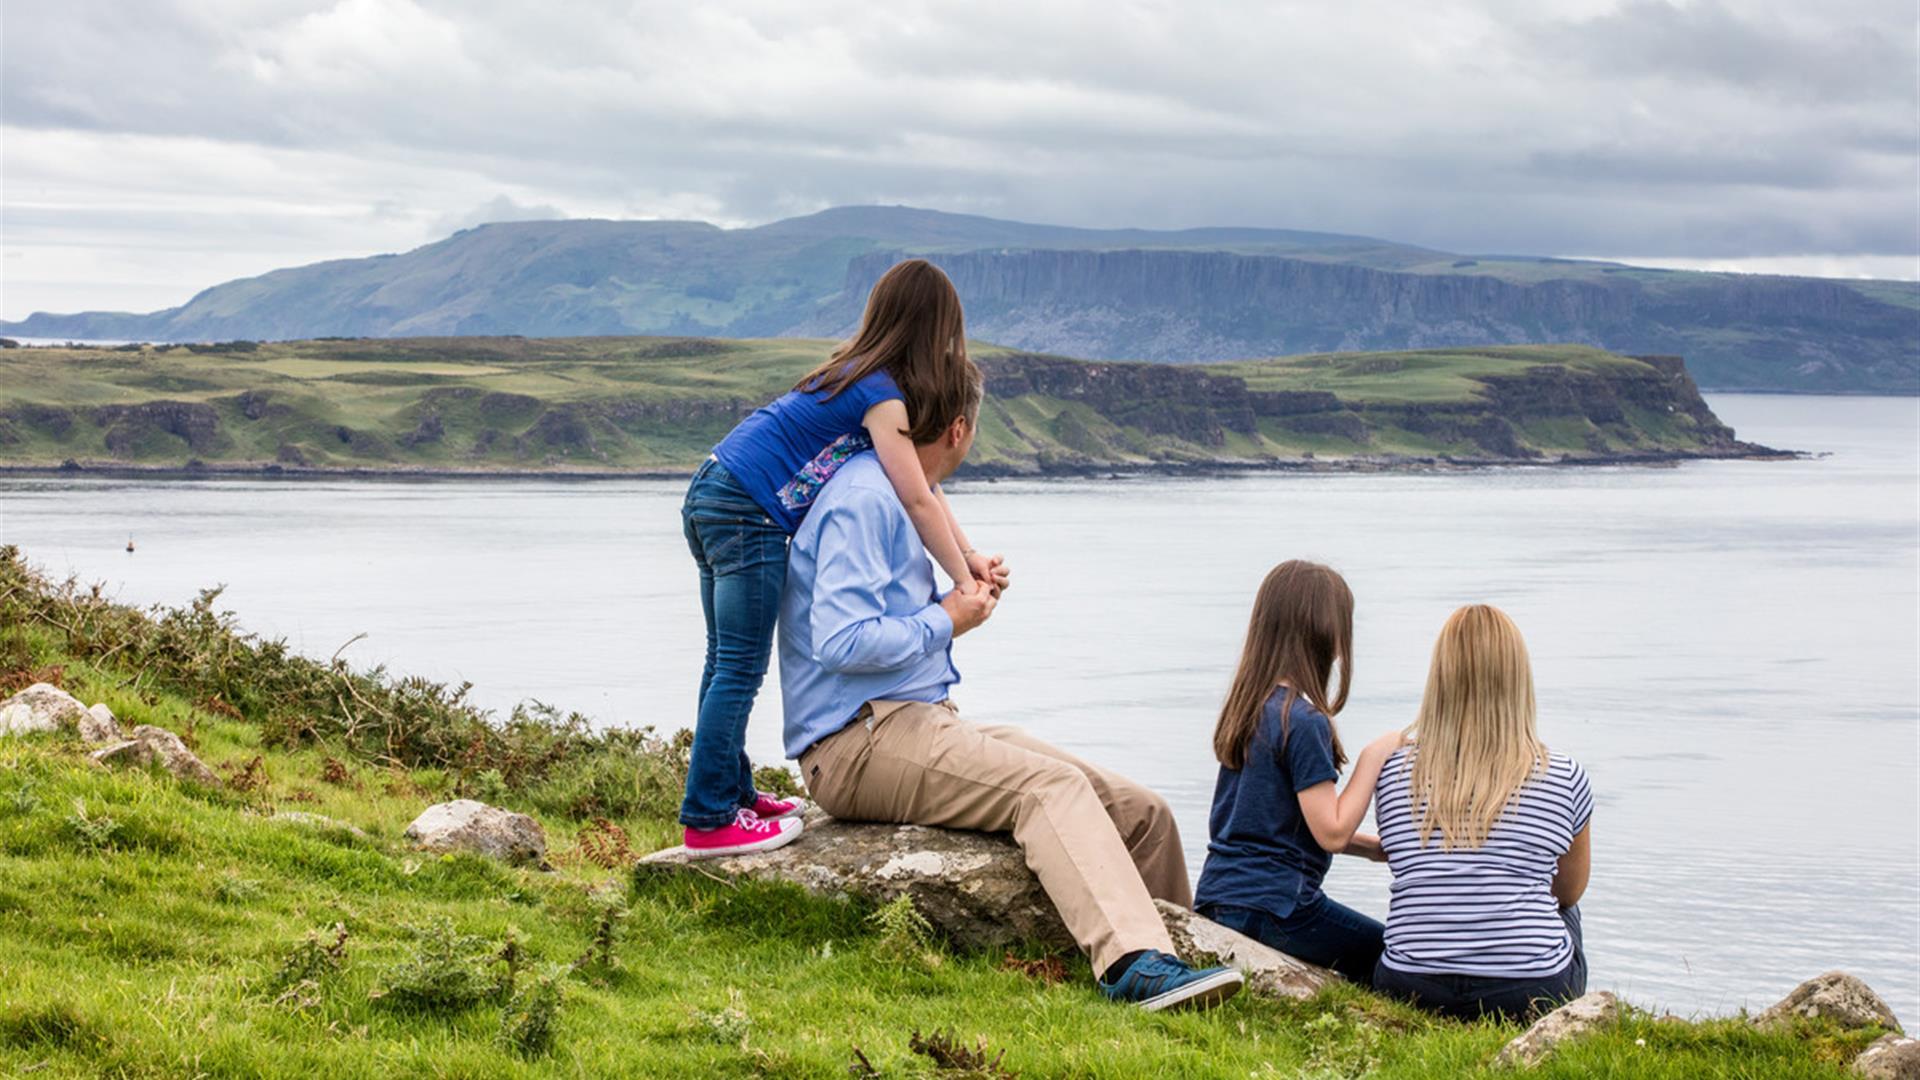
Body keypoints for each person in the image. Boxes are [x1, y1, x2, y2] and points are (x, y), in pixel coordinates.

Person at [780, 369, 1243, 1012]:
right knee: (1049, 788)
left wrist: (959, 588)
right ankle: (1133, 965)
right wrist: (948, 618)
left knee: (1145, 814)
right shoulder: (864, 498)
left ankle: (1183, 967)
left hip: (913, 719)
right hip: (855, 740)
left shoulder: (904, 491)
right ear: (961, 428)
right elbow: (841, 642)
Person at [678, 259, 1008, 858]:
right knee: (739, 669)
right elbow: (914, 495)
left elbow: (923, 487)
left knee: (723, 659)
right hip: (745, 513)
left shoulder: (850, 372)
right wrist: (964, 589)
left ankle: (731, 792)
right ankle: (707, 817)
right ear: (934, 331)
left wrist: (971, 555)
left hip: (713, 490)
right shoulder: (884, 398)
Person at [1370, 605, 1593, 1021]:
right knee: (1565, 909)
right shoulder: (1564, 775)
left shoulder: (1394, 773)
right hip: (1529, 992)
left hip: (1411, 985)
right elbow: (1567, 893)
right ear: (1518, 679)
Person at [1193, 560, 1407, 983]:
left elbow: (1276, 826)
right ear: (1332, 638)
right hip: (1278, 909)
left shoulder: (1249, 708)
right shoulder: (1305, 721)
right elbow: (1331, 832)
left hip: (1219, 898)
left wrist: (1373, 849)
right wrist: (1374, 756)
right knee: (1390, 957)